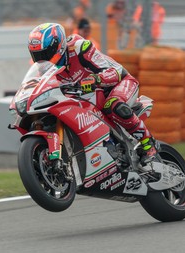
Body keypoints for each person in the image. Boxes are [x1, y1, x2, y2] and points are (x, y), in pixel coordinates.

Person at [27, 23, 157, 164]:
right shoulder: (45, 69)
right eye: (37, 55)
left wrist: (96, 79)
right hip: (88, 96)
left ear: (58, 46)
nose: (42, 59)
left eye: (45, 54)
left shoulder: (79, 48)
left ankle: (148, 144)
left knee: (113, 105)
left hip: (119, 82)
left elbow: (115, 71)